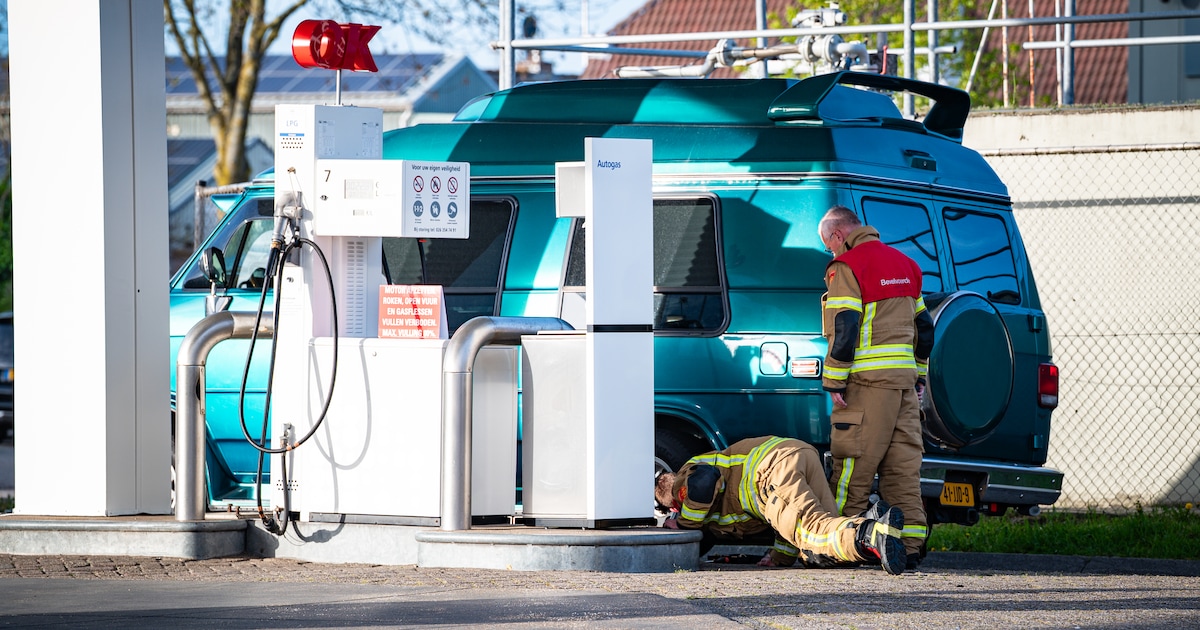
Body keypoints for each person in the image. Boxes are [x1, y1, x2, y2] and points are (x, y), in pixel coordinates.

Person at [817, 205, 936, 570]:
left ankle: (838, 544)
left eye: (828, 246)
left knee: (852, 468)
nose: (831, 253)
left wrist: (835, 379)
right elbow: (925, 329)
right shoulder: (906, 265)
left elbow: (846, 326)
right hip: (902, 387)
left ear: (839, 235)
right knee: (903, 470)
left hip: (868, 385)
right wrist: (918, 376)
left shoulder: (848, 267)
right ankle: (911, 545)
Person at [655, 436, 907, 575]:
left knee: (813, 532)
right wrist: (780, 558)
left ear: (672, 504)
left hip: (769, 473)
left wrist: (683, 523)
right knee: (817, 551)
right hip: (798, 453)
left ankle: (869, 533)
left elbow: (704, 483)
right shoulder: (716, 492)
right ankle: (871, 519)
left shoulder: (681, 482)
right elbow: (777, 521)